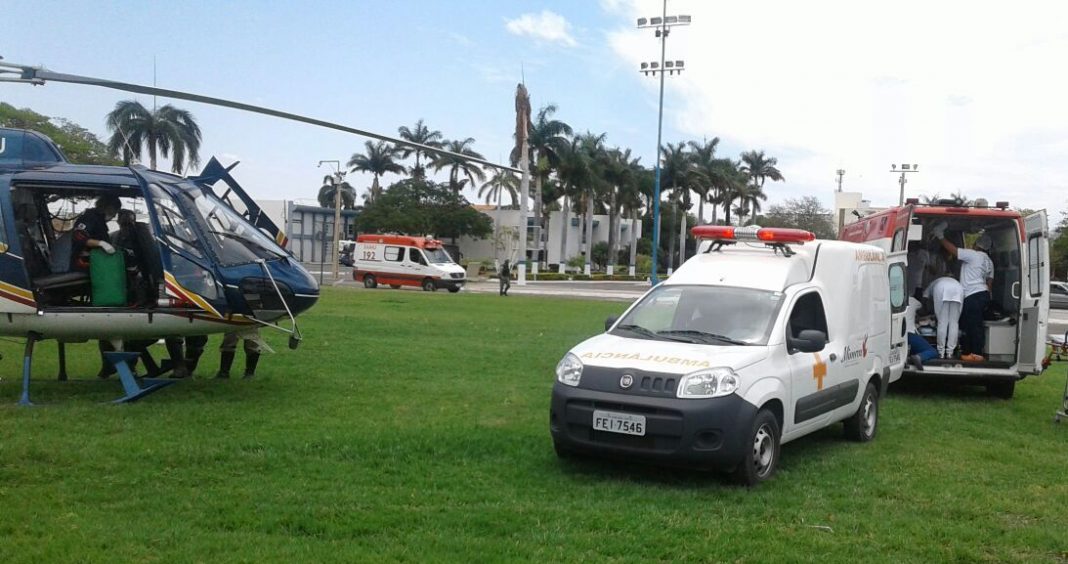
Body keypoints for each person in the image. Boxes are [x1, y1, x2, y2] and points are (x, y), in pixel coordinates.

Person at [933, 223, 994, 361]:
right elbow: (990, 282)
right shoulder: (989, 261)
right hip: (983, 294)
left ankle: (975, 353)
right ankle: (969, 352)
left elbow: (954, 251)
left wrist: (940, 236)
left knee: (971, 325)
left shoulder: (974, 255)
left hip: (972, 295)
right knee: (972, 323)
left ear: (976, 245)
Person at [71, 195, 121, 271]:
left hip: (97, 262)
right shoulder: (89, 217)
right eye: (115, 211)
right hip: (83, 263)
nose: (114, 216)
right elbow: (78, 235)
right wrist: (101, 243)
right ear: (108, 207)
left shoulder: (100, 220)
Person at [924, 269, 964, 359]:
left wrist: (926, 310)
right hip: (958, 289)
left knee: (942, 322)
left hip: (940, 288)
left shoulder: (936, 281)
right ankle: (950, 352)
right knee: (954, 323)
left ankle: (940, 352)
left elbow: (925, 297)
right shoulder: (956, 282)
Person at [906, 296, 937, 369]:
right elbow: (922, 310)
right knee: (932, 351)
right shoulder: (913, 300)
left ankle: (907, 358)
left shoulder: (892, 300)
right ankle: (919, 357)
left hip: (895, 335)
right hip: (909, 334)